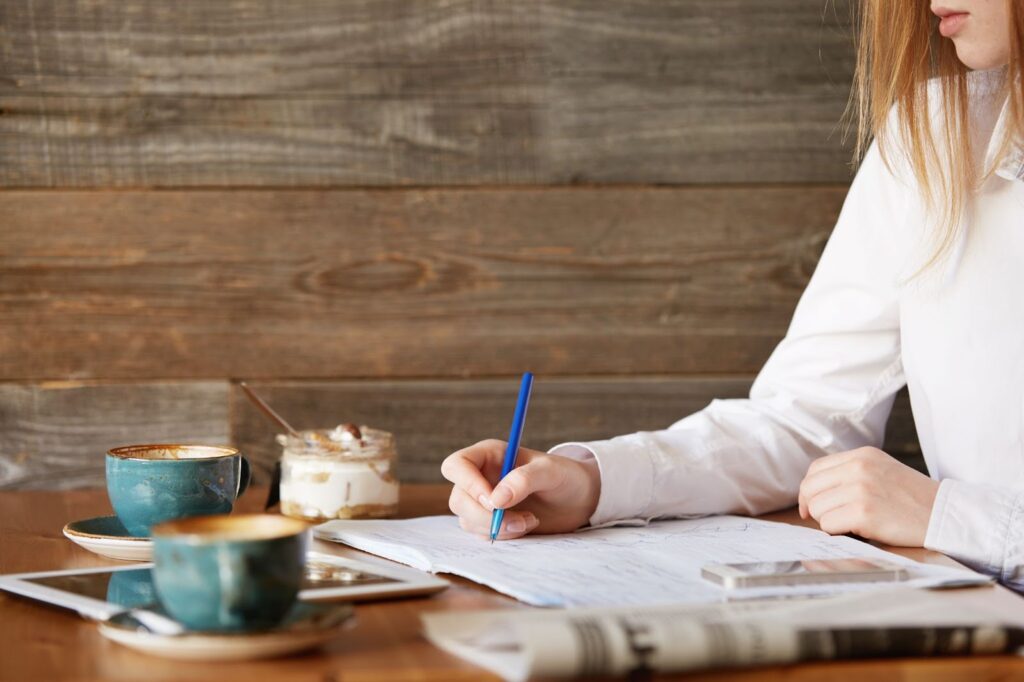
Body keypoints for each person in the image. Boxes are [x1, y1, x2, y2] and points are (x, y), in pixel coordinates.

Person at [442, 1, 1024, 588]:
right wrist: (592, 484)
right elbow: (807, 418)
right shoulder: (934, 137)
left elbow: (943, 516)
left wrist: (949, 520)